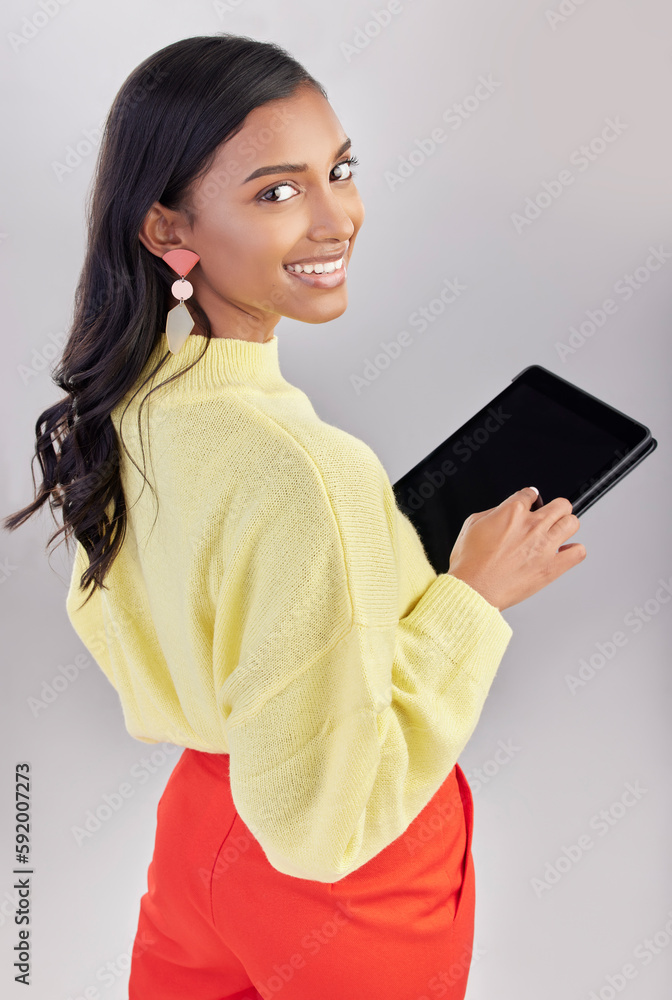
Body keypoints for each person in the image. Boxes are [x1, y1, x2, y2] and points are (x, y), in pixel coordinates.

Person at [3, 32, 586, 1000]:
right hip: (350, 868)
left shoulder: (137, 406)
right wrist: (472, 597)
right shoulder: (309, 470)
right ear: (166, 229)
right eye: (277, 192)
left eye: (340, 171)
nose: (335, 218)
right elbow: (325, 827)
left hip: (202, 830)